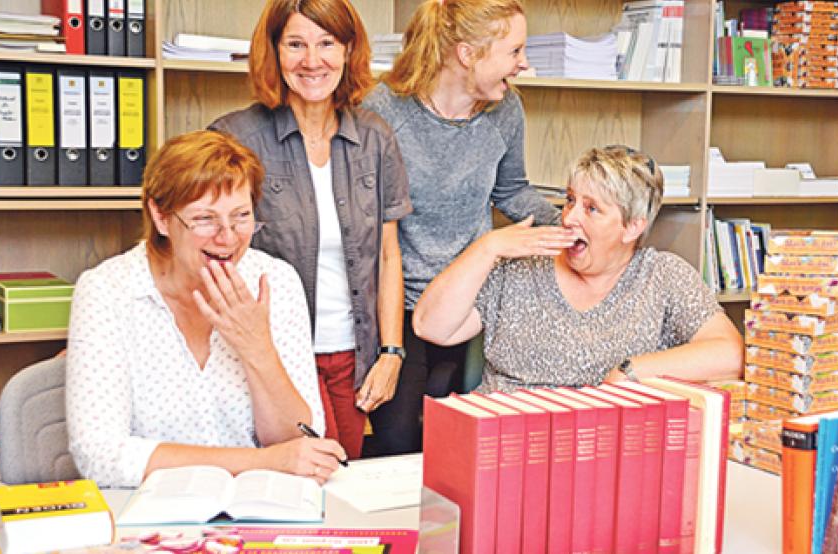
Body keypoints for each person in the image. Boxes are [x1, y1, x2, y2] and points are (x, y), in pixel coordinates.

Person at [67, 130, 346, 489]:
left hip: (259, 507)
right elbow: (100, 455)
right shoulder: (107, 290)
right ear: (161, 216)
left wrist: (258, 349)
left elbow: (298, 442)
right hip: (148, 512)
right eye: (204, 219)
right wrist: (260, 462)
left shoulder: (274, 279)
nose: (227, 238)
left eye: (241, 216)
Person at [210, 0, 412, 460]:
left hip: (352, 356)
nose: (312, 61)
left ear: (347, 50)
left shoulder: (375, 137)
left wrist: (392, 352)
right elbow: (207, 250)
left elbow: (388, 254)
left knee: (346, 484)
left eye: (326, 44)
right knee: (300, 483)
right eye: (295, 44)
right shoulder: (235, 138)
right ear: (274, 53)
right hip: (274, 354)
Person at [360, 0, 563, 455]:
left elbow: (512, 193)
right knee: (398, 442)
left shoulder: (506, 111)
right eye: (514, 51)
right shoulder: (384, 112)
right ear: (468, 54)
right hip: (397, 310)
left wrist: (573, 223)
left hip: (467, 305)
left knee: (457, 443)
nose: (523, 63)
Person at [413, 145, 744, 392]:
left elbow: (729, 354)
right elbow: (431, 327)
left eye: (592, 209)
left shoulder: (662, 275)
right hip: (505, 441)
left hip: (602, 449)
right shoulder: (522, 266)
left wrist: (630, 372)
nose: (569, 217)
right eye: (570, 200)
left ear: (632, 227)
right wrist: (487, 248)